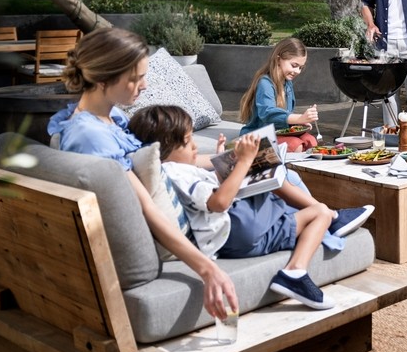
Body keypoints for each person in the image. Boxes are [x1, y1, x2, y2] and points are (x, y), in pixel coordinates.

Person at [47, 27, 237, 321]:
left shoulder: (110, 117)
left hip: (190, 197)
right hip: (194, 226)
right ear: (103, 79)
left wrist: (225, 160)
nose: (145, 86)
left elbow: (157, 164)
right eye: (136, 78)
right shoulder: (92, 138)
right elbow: (147, 206)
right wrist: (207, 269)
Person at [128, 104, 374, 310]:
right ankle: (299, 266)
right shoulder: (179, 172)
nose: (194, 146)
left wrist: (226, 163)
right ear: (163, 149)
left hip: (234, 228)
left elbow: (208, 195)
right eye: (187, 142)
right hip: (240, 230)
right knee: (310, 207)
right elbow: (219, 203)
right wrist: (244, 161)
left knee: (271, 174)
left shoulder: (176, 170)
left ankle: (330, 219)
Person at [239, 37, 318, 152]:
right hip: (258, 134)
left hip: (278, 131)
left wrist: (299, 122)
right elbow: (268, 113)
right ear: (278, 60)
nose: (297, 71)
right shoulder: (265, 83)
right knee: (295, 145)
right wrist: (299, 118)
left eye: (301, 67)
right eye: (294, 65)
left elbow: (285, 114)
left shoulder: (287, 83)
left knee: (311, 141)